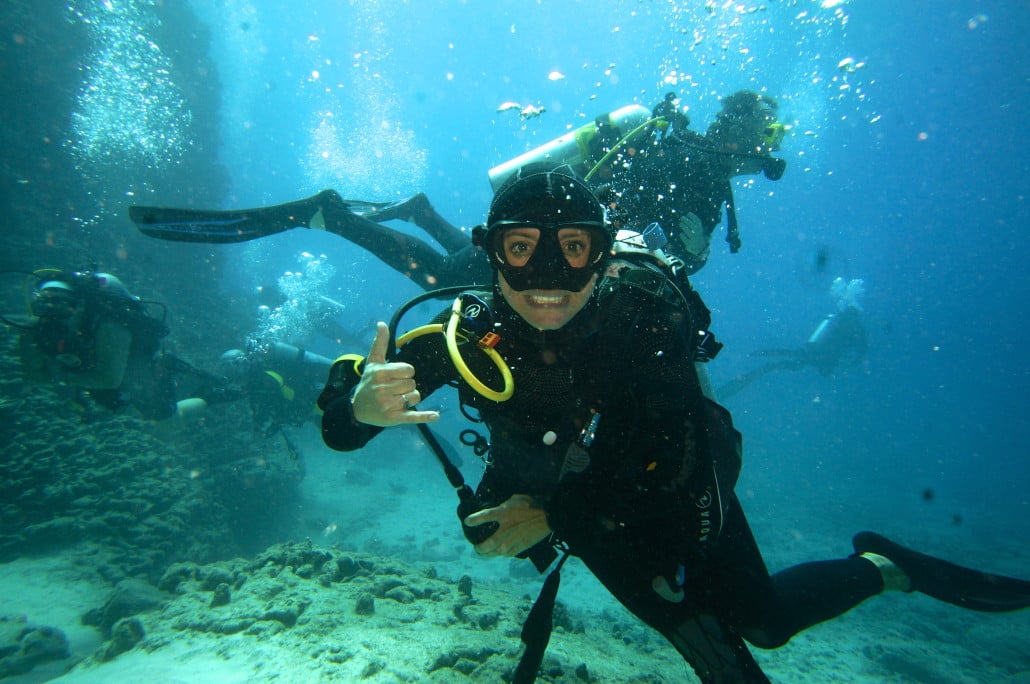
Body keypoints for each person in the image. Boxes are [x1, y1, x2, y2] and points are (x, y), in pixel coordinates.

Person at [316, 169, 1029, 683]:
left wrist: (553, 513)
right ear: (490, 250)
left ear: (600, 251)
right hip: (574, 499)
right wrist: (359, 407)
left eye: (572, 248)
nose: (547, 276)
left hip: (675, 487)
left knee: (763, 623)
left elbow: (677, 463)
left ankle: (882, 568)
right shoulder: (468, 335)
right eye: (521, 246)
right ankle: (880, 569)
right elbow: (344, 419)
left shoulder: (642, 319)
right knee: (730, 629)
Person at [600, 90, 788, 275]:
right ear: (737, 133)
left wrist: (698, 251)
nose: (773, 146)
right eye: (768, 133)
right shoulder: (693, 165)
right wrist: (693, 252)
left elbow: (671, 259)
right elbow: (648, 239)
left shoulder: (712, 179)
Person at [13, 269, 238, 421]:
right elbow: (34, 376)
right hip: (96, 368)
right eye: (45, 307)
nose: (53, 316)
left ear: (79, 305)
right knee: (116, 405)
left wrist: (60, 374)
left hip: (137, 365)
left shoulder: (108, 324)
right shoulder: (37, 327)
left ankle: (209, 393)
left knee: (166, 418)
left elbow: (109, 378)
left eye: (62, 307)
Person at [717, 277, 869, 401]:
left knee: (792, 359)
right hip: (823, 357)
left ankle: (760, 359)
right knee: (791, 362)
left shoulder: (840, 319)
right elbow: (859, 352)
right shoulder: (855, 325)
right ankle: (761, 363)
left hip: (815, 351)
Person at [219, 341, 334, 436]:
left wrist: (276, 421)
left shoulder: (263, 377)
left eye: (229, 370)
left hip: (314, 397)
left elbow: (281, 395)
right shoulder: (255, 382)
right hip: (311, 405)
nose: (230, 376)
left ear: (240, 364)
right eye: (226, 372)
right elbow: (272, 401)